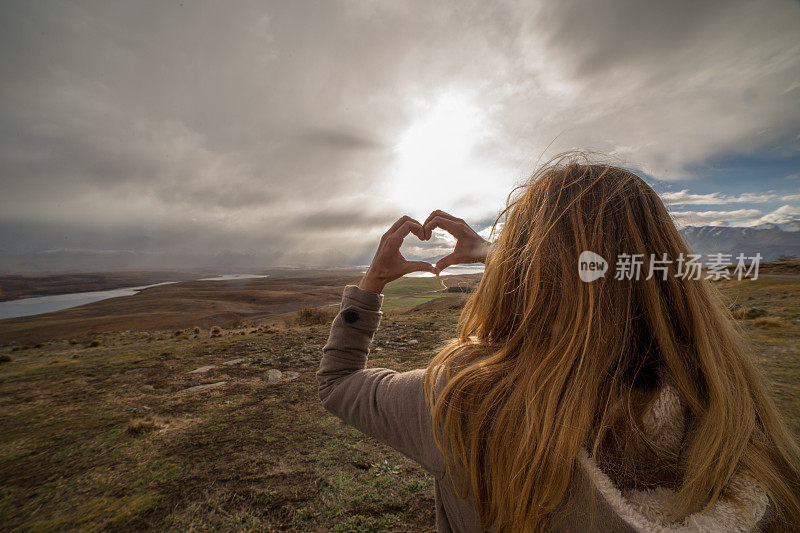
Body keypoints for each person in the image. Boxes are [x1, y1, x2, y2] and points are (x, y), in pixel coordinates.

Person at [316, 153, 800, 532]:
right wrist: (498, 254)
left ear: (525, 272)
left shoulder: (462, 402)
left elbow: (338, 383)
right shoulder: (735, 426)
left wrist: (372, 283)